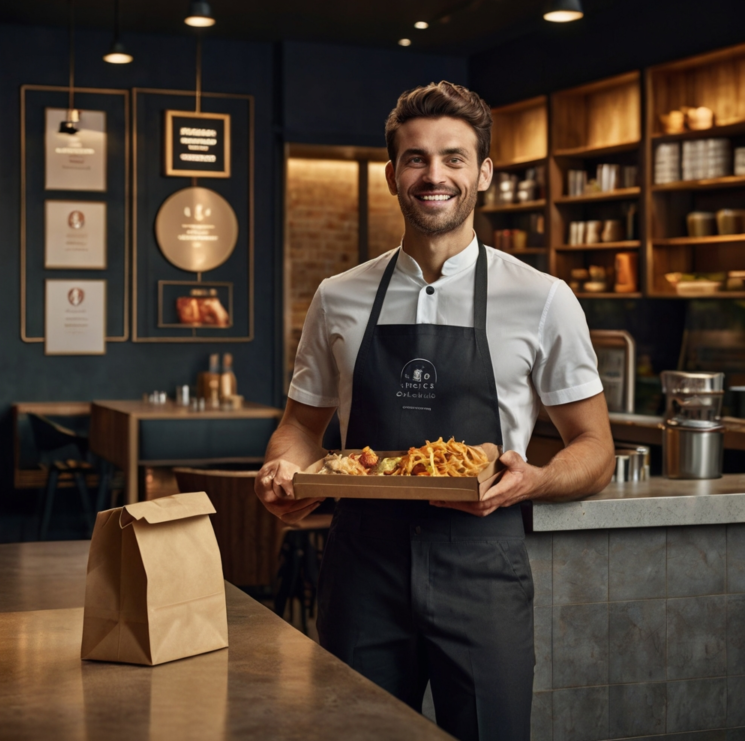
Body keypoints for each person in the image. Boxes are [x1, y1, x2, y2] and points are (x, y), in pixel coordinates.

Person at [255, 81, 614, 741]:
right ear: (393, 174)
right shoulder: (339, 297)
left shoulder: (542, 298)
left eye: (454, 157)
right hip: (362, 569)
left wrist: (534, 480)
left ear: (483, 173)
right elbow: (300, 428)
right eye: (417, 159)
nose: (434, 175)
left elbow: (595, 449)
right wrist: (284, 472)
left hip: (483, 571)